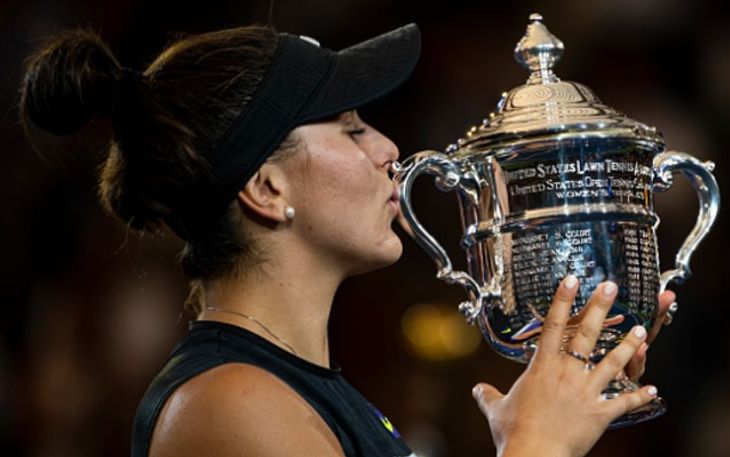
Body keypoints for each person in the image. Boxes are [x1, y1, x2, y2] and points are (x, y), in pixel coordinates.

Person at [20, 22, 675, 457]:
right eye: (351, 128)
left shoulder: (284, 387)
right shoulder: (230, 405)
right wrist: (536, 447)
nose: (390, 149)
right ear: (267, 189)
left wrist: (524, 435)